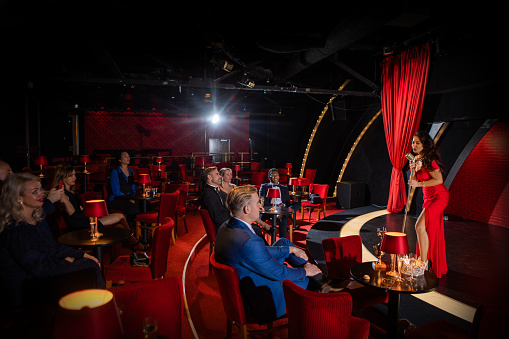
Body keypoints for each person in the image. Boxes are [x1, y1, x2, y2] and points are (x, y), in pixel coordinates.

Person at [214, 185, 322, 323]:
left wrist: (290, 250)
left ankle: (318, 276)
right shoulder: (248, 241)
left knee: (284, 242)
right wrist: (304, 272)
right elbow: (279, 273)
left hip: (248, 279)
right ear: (247, 209)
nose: (261, 207)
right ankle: (316, 301)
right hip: (262, 297)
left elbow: (256, 252)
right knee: (309, 281)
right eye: (258, 202)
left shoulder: (226, 226)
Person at [0, 172, 104, 309]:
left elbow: (53, 247)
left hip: (43, 275)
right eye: (35, 191)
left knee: (91, 263)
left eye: (41, 189)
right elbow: (39, 268)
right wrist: (65, 263)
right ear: (19, 198)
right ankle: (98, 312)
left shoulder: (36, 219)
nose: (41, 194)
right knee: (90, 268)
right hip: (28, 288)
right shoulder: (17, 230)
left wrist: (82, 254)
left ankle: (94, 309)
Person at [52, 164, 144, 250]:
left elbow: (81, 210)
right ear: (63, 177)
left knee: (119, 226)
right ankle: (135, 244)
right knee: (120, 216)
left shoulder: (72, 192)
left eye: (74, 175)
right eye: (71, 175)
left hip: (85, 219)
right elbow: (73, 215)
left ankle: (116, 257)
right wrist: (94, 216)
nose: (74, 178)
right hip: (79, 225)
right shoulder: (62, 194)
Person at [408, 131, 449, 278]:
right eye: (413, 142)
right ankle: (424, 261)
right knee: (424, 228)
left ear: (425, 144)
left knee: (419, 226)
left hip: (439, 196)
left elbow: (439, 180)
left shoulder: (430, 159)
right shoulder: (417, 159)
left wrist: (420, 184)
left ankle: (423, 262)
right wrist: (414, 169)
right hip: (428, 197)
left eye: (418, 143)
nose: (414, 145)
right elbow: (413, 183)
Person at [201, 166, 271, 235]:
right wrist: (238, 220)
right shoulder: (208, 194)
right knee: (256, 229)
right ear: (209, 177)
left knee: (256, 227)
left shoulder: (216, 190)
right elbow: (218, 218)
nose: (220, 176)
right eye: (217, 174)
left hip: (229, 222)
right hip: (225, 229)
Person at [259, 168, 301, 237]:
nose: (275, 177)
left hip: (283, 209)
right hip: (270, 211)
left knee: (298, 204)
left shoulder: (284, 188)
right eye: (273, 175)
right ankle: (282, 241)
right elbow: (262, 202)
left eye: (277, 175)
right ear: (269, 177)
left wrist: (283, 205)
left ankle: (281, 215)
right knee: (283, 219)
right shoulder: (264, 187)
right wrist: (275, 206)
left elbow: (287, 203)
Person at [107, 151, 140, 223]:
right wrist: (128, 199)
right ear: (120, 160)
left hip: (129, 197)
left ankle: (142, 228)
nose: (128, 158)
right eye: (125, 156)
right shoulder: (115, 172)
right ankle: (129, 227)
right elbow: (116, 191)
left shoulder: (131, 171)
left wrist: (134, 197)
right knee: (133, 208)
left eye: (128, 156)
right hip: (116, 199)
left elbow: (133, 187)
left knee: (145, 205)